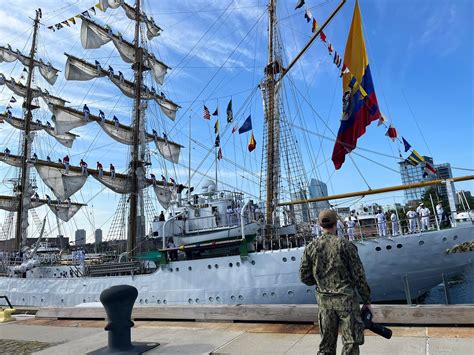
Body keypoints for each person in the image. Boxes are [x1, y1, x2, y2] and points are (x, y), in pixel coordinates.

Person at [300, 209, 371, 355]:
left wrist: (321, 283)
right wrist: (367, 300)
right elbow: (359, 276)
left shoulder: (311, 248)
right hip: (347, 303)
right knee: (350, 343)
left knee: (326, 346)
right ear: (336, 223)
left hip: (324, 303)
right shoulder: (345, 245)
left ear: (320, 225)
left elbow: (304, 277)